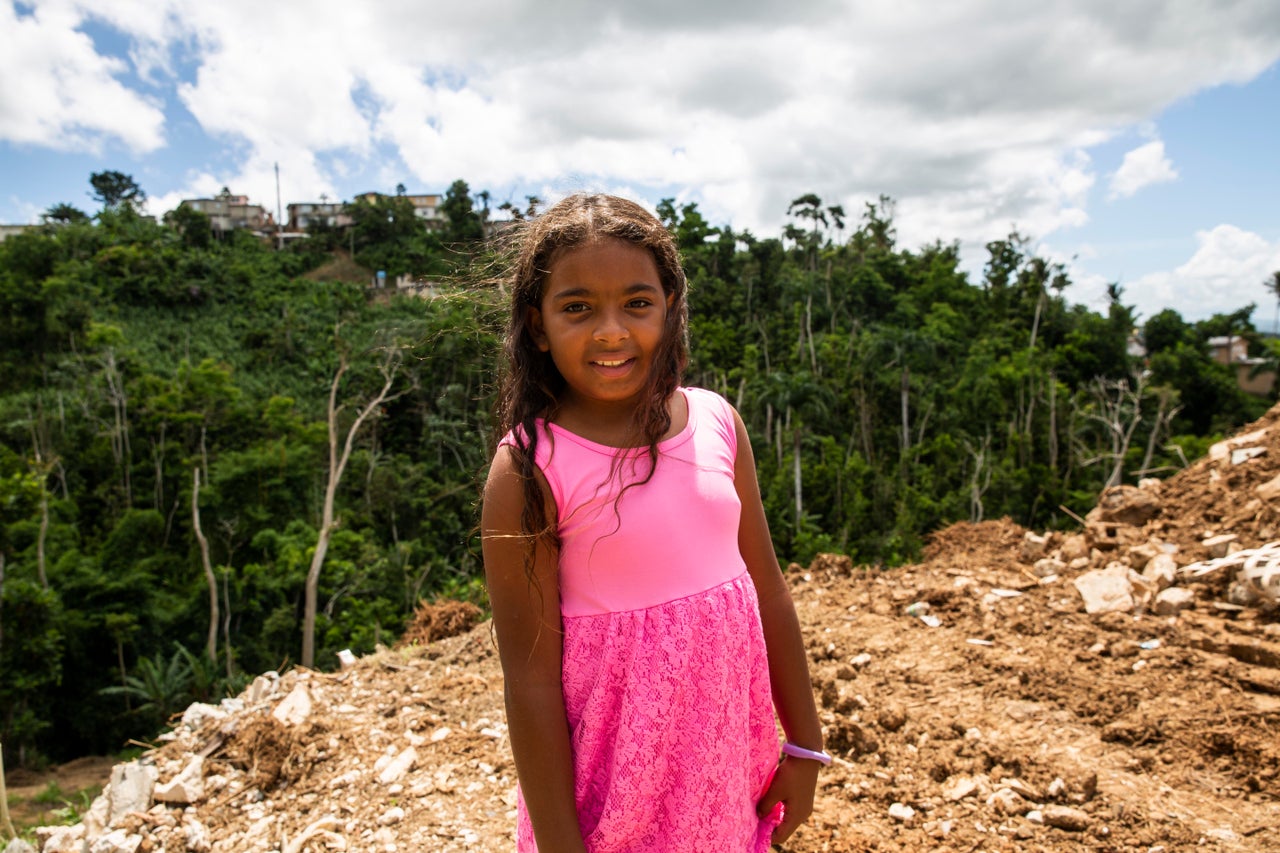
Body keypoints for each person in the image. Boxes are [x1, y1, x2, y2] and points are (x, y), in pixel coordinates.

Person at [482, 193, 826, 852]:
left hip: (722, 775)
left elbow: (771, 593)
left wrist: (805, 744)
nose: (611, 331)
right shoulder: (529, 470)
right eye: (577, 307)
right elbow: (528, 681)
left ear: (670, 306)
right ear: (537, 324)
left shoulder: (718, 423)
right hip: (607, 804)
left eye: (637, 303)